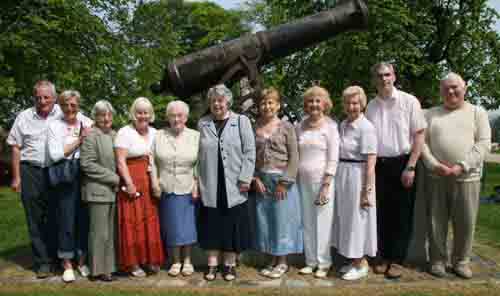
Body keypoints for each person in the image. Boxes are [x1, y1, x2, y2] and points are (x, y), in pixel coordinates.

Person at [422, 73, 491, 279]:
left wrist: (463, 165)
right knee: (436, 221)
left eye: (455, 87)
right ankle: (437, 261)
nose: (451, 91)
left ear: (465, 88)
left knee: (465, 223)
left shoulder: (477, 112)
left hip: (467, 177)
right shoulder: (430, 114)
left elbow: (483, 143)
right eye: (446, 88)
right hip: (436, 177)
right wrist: (434, 165)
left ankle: (461, 262)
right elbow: (421, 144)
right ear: (440, 90)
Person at [365, 62, 427, 279]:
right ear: (374, 79)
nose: (384, 79)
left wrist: (411, 166)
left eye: (387, 74)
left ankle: (398, 260)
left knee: (402, 214)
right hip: (379, 165)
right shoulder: (371, 106)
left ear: (394, 76)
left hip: (403, 163)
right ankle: (383, 256)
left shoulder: (409, 101)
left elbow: (419, 136)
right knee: (381, 213)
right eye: (379, 75)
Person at [7, 80, 69, 278]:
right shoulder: (24, 116)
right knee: (34, 219)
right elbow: (15, 146)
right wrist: (16, 177)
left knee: (55, 216)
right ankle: (42, 262)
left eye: (46, 97)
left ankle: (57, 258)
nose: (42, 101)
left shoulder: (63, 111)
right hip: (30, 171)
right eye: (38, 97)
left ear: (54, 97)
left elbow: (83, 124)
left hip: (55, 170)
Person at [197, 84, 255, 281]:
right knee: (212, 222)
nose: (216, 104)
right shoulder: (202, 123)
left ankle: (229, 264)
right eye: (213, 100)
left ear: (227, 102)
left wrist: (246, 177)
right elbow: (197, 155)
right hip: (210, 183)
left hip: (235, 183)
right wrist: (197, 182)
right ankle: (212, 264)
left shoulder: (241, 121)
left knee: (232, 222)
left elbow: (250, 152)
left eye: (220, 100)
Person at [252, 88, 303, 279]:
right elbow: (250, 157)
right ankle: (272, 258)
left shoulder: (287, 127)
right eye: (264, 103)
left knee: (282, 221)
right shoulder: (254, 127)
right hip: (263, 181)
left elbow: (295, 157)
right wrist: (255, 178)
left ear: (278, 105)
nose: (267, 106)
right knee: (266, 221)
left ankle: (282, 262)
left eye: (271, 102)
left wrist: (285, 182)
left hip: (282, 180)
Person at [115, 97, 165, 277]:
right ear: (133, 114)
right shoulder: (124, 132)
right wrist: (128, 183)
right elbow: (120, 161)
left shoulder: (155, 132)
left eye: (146, 112)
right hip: (132, 181)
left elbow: (157, 158)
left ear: (150, 114)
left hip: (149, 181)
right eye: (139, 112)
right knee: (132, 223)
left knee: (149, 221)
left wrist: (156, 182)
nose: (142, 115)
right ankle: (134, 263)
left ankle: (150, 260)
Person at [47, 90, 92, 282]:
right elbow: (56, 154)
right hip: (65, 175)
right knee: (66, 217)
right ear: (61, 105)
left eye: (73, 104)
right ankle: (67, 262)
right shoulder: (54, 125)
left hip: (85, 172)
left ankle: (82, 260)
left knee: (83, 217)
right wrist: (79, 141)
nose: (69, 109)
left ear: (78, 105)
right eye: (65, 105)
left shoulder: (87, 122)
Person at [332, 86, 377, 281]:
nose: (352, 106)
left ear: (362, 104)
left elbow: (371, 161)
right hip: (343, 174)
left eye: (356, 103)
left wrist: (366, 190)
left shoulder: (366, 127)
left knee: (358, 220)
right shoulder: (342, 124)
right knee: (346, 219)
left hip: (358, 175)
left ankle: (361, 263)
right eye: (349, 103)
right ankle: (352, 259)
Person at [151, 100, 199, 277]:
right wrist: (154, 182)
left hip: (188, 186)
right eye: (173, 115)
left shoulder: (195, 135)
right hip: (166, 185)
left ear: (186, 117)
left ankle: (187, 260)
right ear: (167, 117)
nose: (176, 119)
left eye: (180, 115)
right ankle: (175, 260)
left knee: (188, 225)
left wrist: (197, 183)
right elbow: (152, 161)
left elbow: (199, 163)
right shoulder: (159, 135)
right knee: (171, 225)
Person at [296, 86, 339, 278]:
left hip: (323, 182)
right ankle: (310, 261)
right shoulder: (300, 125)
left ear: (325, 104)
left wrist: (326, 184)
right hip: (302, 181)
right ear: (306, 105)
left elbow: (333, 157)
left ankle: (324, 263)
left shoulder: (330, 126)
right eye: (310, 101)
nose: (314, 104)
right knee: (307, 222)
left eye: (317, 101)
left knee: (323, 222)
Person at [80, 100, 120, 282]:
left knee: (110, 232)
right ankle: (98, 269)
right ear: (95, 117)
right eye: (102, 115)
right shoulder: (91, 135)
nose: (106, 118)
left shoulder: (115, 134)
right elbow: (87, 164)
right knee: (99, 232)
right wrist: (114, 178)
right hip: (97, 191)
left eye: (109, 115)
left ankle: (110, 267)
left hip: (113, 191)